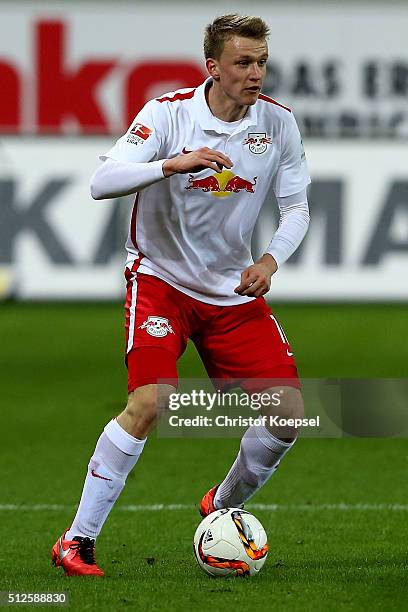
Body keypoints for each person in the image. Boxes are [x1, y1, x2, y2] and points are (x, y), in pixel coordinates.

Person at [52, 13, 311, 576]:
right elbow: (103, 181)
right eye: (243, 62)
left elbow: (296, 209)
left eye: (262, 61)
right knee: (150, 403)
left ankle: (222, 507)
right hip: (161, 282)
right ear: (213, 68)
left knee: (288, 413)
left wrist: (269, 259)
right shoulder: (169, 115)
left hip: (231, 290)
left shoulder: (279, 125)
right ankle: (77, 540)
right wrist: (173, 163)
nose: (256, 73)